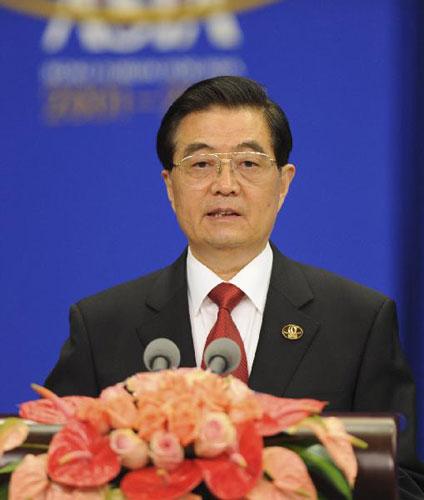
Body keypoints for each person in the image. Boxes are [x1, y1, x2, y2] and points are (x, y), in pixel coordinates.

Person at [45, 76, 424, 497]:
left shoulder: (358, 321)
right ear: (170, 187)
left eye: (248, 163)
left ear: (283, 184)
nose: (225, 185)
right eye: (201, 164)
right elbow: (56, 472)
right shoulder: (101, 327)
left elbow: (401, 483)